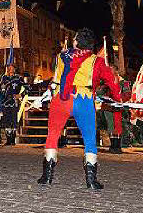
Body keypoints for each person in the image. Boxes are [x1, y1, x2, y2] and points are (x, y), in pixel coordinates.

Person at [37, 27, 121, 190]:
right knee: (89, 138)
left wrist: (49, 93)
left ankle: (47, 176)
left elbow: (55, 80)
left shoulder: (62, 56)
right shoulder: (97, 61)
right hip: (84, 99)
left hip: (62, 98)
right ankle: (91, 180)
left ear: (77, 41)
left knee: (53, 134)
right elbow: (112, 82)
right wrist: (117, 100)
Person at [0, 64, 28, 146]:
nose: (10, 69)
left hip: (14, 102)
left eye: (12, 68)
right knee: (6, 120)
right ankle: (8, 140)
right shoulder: (3, 78)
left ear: (15, 69)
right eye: (8, 68)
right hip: (5, 102)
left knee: (13, 120)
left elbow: (28, 88)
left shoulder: (18, 78)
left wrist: (21, 95)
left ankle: (13, 139)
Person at [103, 65, 131, 154]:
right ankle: (112, 145)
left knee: (118, 125)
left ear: (116, 71)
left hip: (118, 106)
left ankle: (118, 146)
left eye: (111, 70)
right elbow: (100, 92)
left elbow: (127, 94)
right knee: (110, 125)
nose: (109, 72)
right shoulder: (105, 82)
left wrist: (120, 100)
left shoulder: (123, 82)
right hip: (108, 106)